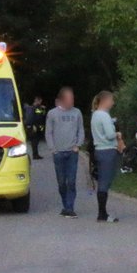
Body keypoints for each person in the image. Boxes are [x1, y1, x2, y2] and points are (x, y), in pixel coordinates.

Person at [45, 87, 85, 217]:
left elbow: (81, 130)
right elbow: (48, 132)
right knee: (62, 182)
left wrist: (78, 145)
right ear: (62, 100)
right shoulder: (52, 114)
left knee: (71, 181)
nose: (72, 100)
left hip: (72, 152)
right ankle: (65, 205)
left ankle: (70, 207)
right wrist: (53, 149)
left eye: (72, 98)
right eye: (69, 98)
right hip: (59, 153)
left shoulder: (77, 112)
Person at [89, 91, 124, 222]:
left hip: (99, 149)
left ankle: (102, 212)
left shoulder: (95, 115)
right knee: (105, 182)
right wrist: (117, 134)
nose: (113, 103)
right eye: (111, 100)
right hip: (107, 150)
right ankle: (102, 213)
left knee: (103, 181)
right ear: (105, 101)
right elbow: (109, 134)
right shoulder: (104, 115)